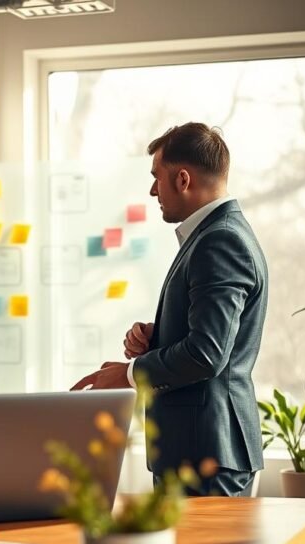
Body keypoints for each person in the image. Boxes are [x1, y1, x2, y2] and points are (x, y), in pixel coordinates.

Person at [71, 123, 268, 496]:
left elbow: (207, 354)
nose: (151, 191)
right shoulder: (215, 236)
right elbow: (210, 337)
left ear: (182, 179)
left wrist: (130, 374)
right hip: (200, 450)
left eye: (155, 178)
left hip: (207, 453)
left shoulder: (220, 241)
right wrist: (156, 338)